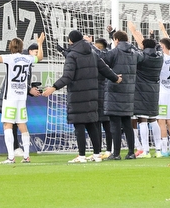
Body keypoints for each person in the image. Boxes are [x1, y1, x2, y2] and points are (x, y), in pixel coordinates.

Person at [42, 30, 120, 163]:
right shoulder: (93, 53)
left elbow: (67, 77)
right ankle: (96, 155)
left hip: (77, 95)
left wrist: (54, 87)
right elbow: (104, 68)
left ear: (71, 41)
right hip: (92, 95)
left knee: (79, 126)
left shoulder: (72, 55)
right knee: (92, 125)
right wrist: (115, 78)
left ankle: (82, 156)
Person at [0, 32, 44, 163]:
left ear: (10, 47)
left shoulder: (10, 59)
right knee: (22, 124)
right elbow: (40, 57)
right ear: (22, 48)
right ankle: (26, 156)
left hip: (10, 97)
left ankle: (11, 157)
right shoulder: (27, 59)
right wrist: (40, 43)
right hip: (22, 97)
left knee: (7, 125)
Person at [103, 29, 142, 160]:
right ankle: (131, 152)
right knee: (127, 124)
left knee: (114, 124)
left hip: (115, 92)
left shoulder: (115, 52)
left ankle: (116, 153)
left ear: (117, 41)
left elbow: (102, 58)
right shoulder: (134, 53)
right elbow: (141, 55)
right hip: (129, 93)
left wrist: (90, 45)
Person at [129, 22, 163, 158]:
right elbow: (158, 46)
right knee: (153, 119)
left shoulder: (142, 57)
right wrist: (151, 36)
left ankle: (145, 150)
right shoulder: (160, 57)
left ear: (143, 47)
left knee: (142, 120)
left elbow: (133, 51)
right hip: (154, 91)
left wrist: (134, 33)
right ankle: (159, 150)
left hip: (142, 90)